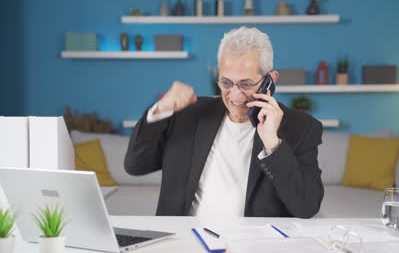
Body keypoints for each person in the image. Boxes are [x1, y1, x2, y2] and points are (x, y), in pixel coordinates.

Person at [125, 27, 323, 219]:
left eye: (246, 84)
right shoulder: (188, 113)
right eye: (226, 83)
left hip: (253, 246)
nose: (235, 95)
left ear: (270, 80)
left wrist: (272, 142)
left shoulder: (301, 127)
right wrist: (160, 111)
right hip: (184, 242)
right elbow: (135, 166)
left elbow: (306, 206)